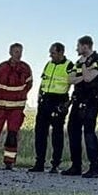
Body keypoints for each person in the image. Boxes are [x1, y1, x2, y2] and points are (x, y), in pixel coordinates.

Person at [62, 35, 98, 177]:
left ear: (85, 46)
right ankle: (76, 166)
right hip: (77, 101)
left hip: (90, 102)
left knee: (88, 134)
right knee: (73, 132)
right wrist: (81, 74)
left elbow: (88, 78)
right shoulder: (77, 62)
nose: (77, 49)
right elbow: (70, 79)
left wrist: (84, 65)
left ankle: (94, 168)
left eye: (78, 46)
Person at [29, 42, 72, 173]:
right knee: (40, 132)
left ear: (61, 53)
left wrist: (67, 103)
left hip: (58, 101)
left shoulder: (69, 65)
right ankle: (39, 163)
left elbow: (75, 82)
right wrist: (39, 97)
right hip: (45, 100)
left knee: (57, 134)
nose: (50, 55)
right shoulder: (48, 64)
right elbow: (43, 82)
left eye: (53, 52)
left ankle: (55, 164)